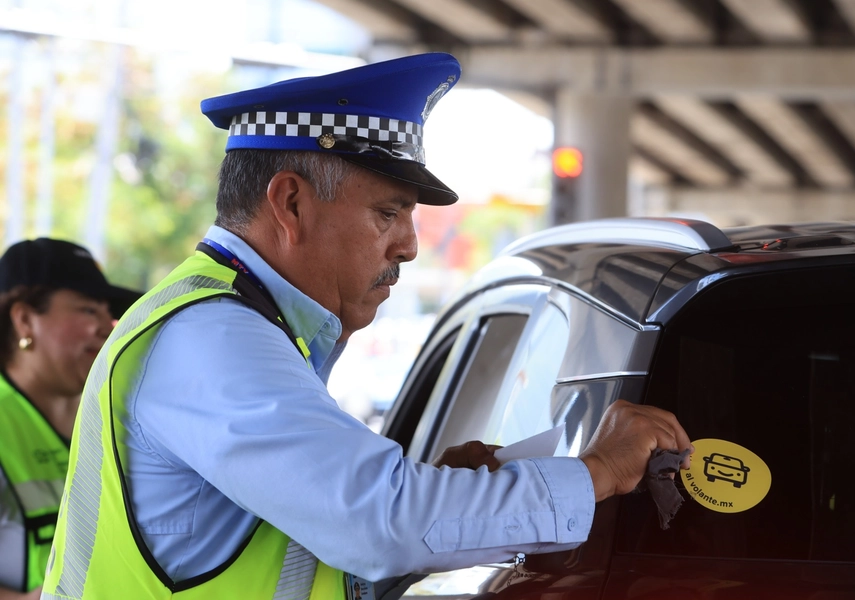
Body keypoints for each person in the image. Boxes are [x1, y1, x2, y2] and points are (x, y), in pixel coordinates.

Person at [42, 52, 692, 599]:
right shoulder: (213, 338)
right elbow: (379, 522)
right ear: (291, 203)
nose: (409, 246)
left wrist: (445, 498)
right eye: (388, 213)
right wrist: (600, 471)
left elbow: (312, 556)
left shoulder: (240, 325)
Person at [0, 239, 139, 599]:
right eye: (88, 310)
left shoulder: (118, 418)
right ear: (25, 319)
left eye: (108, 312)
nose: (107, 326)